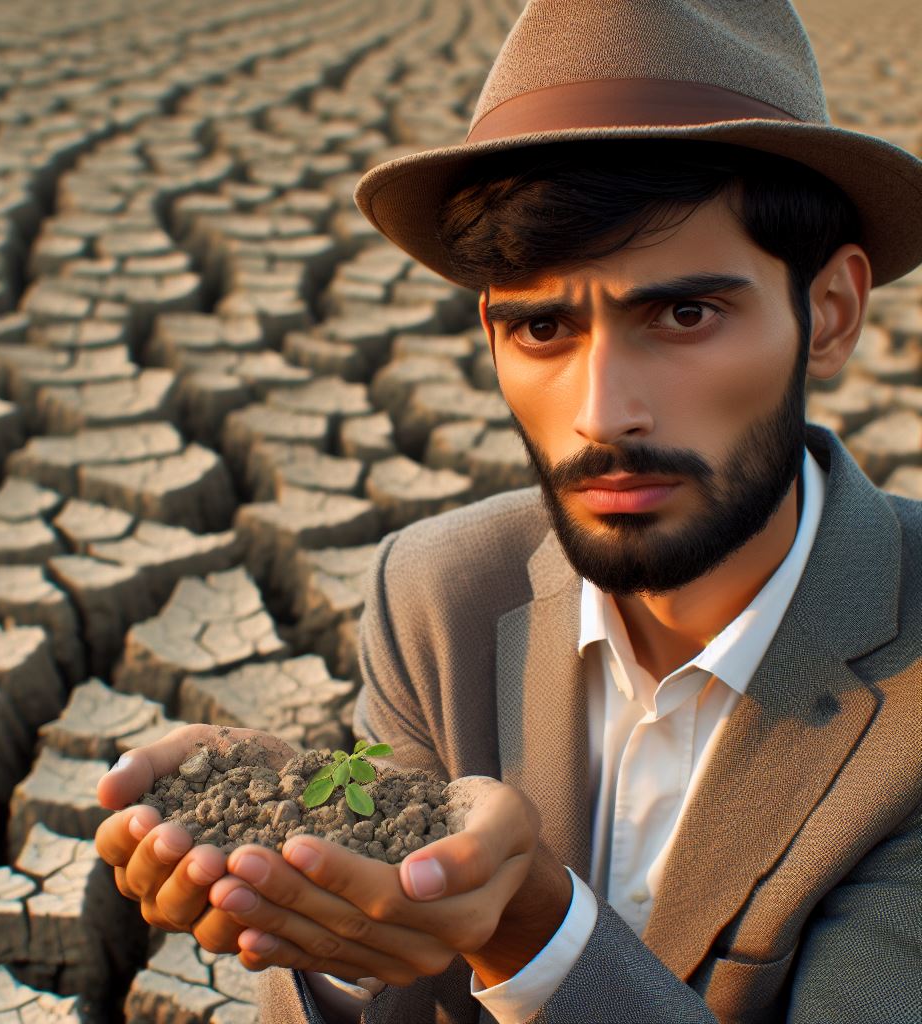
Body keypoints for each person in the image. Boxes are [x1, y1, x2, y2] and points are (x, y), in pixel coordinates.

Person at [95, 1, 922, 1021]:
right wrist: (320, 898)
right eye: (540, 326)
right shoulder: (437, 591)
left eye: (684, 313)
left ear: (827, 314)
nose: (601, 413)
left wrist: (529, 926)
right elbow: (391, 946)